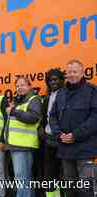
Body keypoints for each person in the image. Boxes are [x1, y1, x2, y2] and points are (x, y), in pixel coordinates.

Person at [50, 60, 97, 197]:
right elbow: (52, 117)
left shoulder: (92, 91)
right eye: (69, 72)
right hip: (66, 150)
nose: (72, 75)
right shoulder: (61, 93)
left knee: (86, 189)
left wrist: (75, 135)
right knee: (69, 188)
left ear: (82, 73)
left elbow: (95, 119)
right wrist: (59, 134)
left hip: (86, 150)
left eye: (75, 71)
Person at [4, 77, 42, 197]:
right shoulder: (17, 102)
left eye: (22, 85)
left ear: (29, 86)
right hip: (16, 146)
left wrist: (14, 111)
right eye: (17, 86)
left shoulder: (34, 99)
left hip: (24, 146)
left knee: (21, 178)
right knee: (25, 177)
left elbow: (33, 117)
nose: (19, 88)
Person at [38, 69, 65, 197]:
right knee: (49, 174)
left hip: (63, 140)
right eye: (50, 80)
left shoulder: (67, 95)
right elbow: (43, 118)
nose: (53, 82)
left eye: (55, 79)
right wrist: (41, 128)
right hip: (48, 141)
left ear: (61, 80)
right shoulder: (47, 98)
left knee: (64, 174)